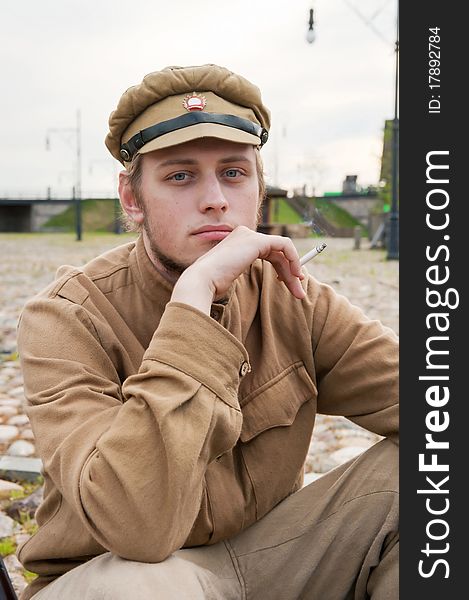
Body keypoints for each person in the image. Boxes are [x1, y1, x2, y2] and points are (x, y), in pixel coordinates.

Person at [16, 64, 398, 600]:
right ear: (132, 198)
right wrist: (193, 306)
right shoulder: (68, 317)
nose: (216, 198)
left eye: (234, 173)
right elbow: (137, 527)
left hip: (270, 558)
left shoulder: (291, 296)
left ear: (258, 189)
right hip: (126, 576)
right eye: (180, 176)